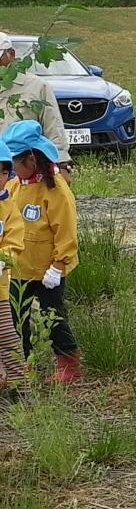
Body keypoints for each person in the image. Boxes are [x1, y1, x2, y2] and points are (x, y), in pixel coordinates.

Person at [3, 120, 79, 382]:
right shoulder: (14, 187)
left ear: (32, 159)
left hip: (48, 269)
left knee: (53, 315)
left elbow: (66, 230)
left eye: (15, 161)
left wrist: (59, 265)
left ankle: (68, 361)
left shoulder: (55, 189)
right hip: (19, 268)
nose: (11, 167)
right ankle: (25, 364)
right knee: (16, 319)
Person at [0, 33, 73, 183]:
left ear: (11, 54)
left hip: (24, 173)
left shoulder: (37, 86)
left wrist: (63, 166)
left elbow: (54, 129)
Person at [0, 138, 26, 395]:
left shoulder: (8, 207)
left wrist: (2, 258)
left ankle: (21, 390)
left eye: (3, 171)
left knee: (7, 340)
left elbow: (15, 242)